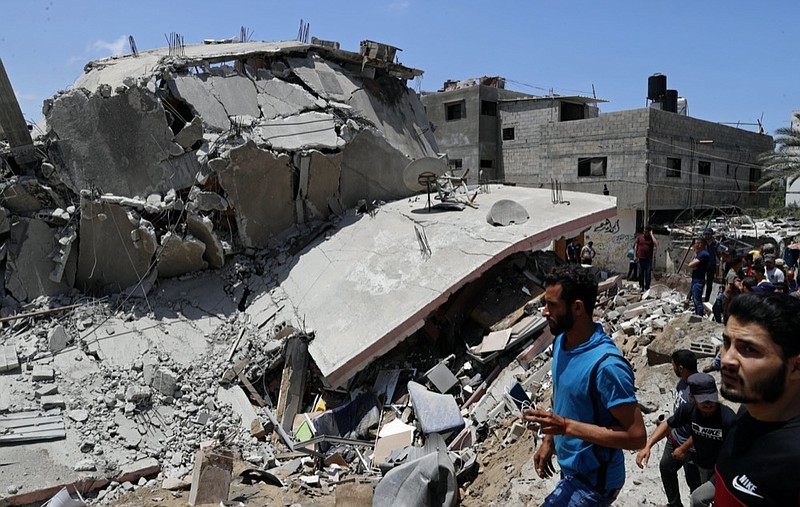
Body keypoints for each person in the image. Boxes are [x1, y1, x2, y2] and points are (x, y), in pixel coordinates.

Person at [523, 265, 646, 506]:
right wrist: (549, 440)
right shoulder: (561, 341)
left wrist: (566, 426)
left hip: (595, 482)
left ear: (577, 308)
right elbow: (562, 398)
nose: (544, 312)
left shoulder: (607, 366)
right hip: (572, 470)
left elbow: (636, 436)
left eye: (552, 305)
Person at [714, 293, 800, 505]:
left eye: (748, 349)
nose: (726, 359)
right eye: (727, 343)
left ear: (795, 367)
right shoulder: (747, 412)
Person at [635, 350, 701, 507]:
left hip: (692, 449)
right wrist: (648, 445)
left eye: (672, 365)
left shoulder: (698, 393)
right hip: (675, 438)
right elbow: (672, 420)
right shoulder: (682, 383)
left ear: (680, 368)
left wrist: (684, 448)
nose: (671, 368)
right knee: (666, 468)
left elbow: (701, 430)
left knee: (695, 486)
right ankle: (675, 504)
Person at [687, 238, 710, 316]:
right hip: (695, 279)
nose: (695, 245)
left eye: (696, 243)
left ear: (701, 244)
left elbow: (691, 265)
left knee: (697, 301)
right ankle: (697, 316)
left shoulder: (704, 254)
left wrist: (694, 266)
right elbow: (692, 265)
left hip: (699, 280)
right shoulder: (699, 254)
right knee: (695, 300)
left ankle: (699, 317)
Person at [635, 225, 658, 291]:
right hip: (640, 258)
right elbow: (636, 246)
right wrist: (635, 255)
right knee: (640, 273)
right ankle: (641, 286)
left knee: (648, 274)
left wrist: (652, 235)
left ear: (649, 232)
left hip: (648, 259)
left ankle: (647, 287)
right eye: (644, 231)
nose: (644, 233)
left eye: (646, 231)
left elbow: (656, 244)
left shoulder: (651, 238)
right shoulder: (639, 237)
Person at [703, 228, 720, 302]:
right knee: (699, 281)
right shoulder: (702, 242)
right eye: (705, 234)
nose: (706, 236)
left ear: (711, 235)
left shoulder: (716, 244)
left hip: (711, 266)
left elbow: (719, 255)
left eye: (708, 234)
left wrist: (718, 270)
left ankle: (707, 299)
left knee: (709, 284)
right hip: (702, 265)